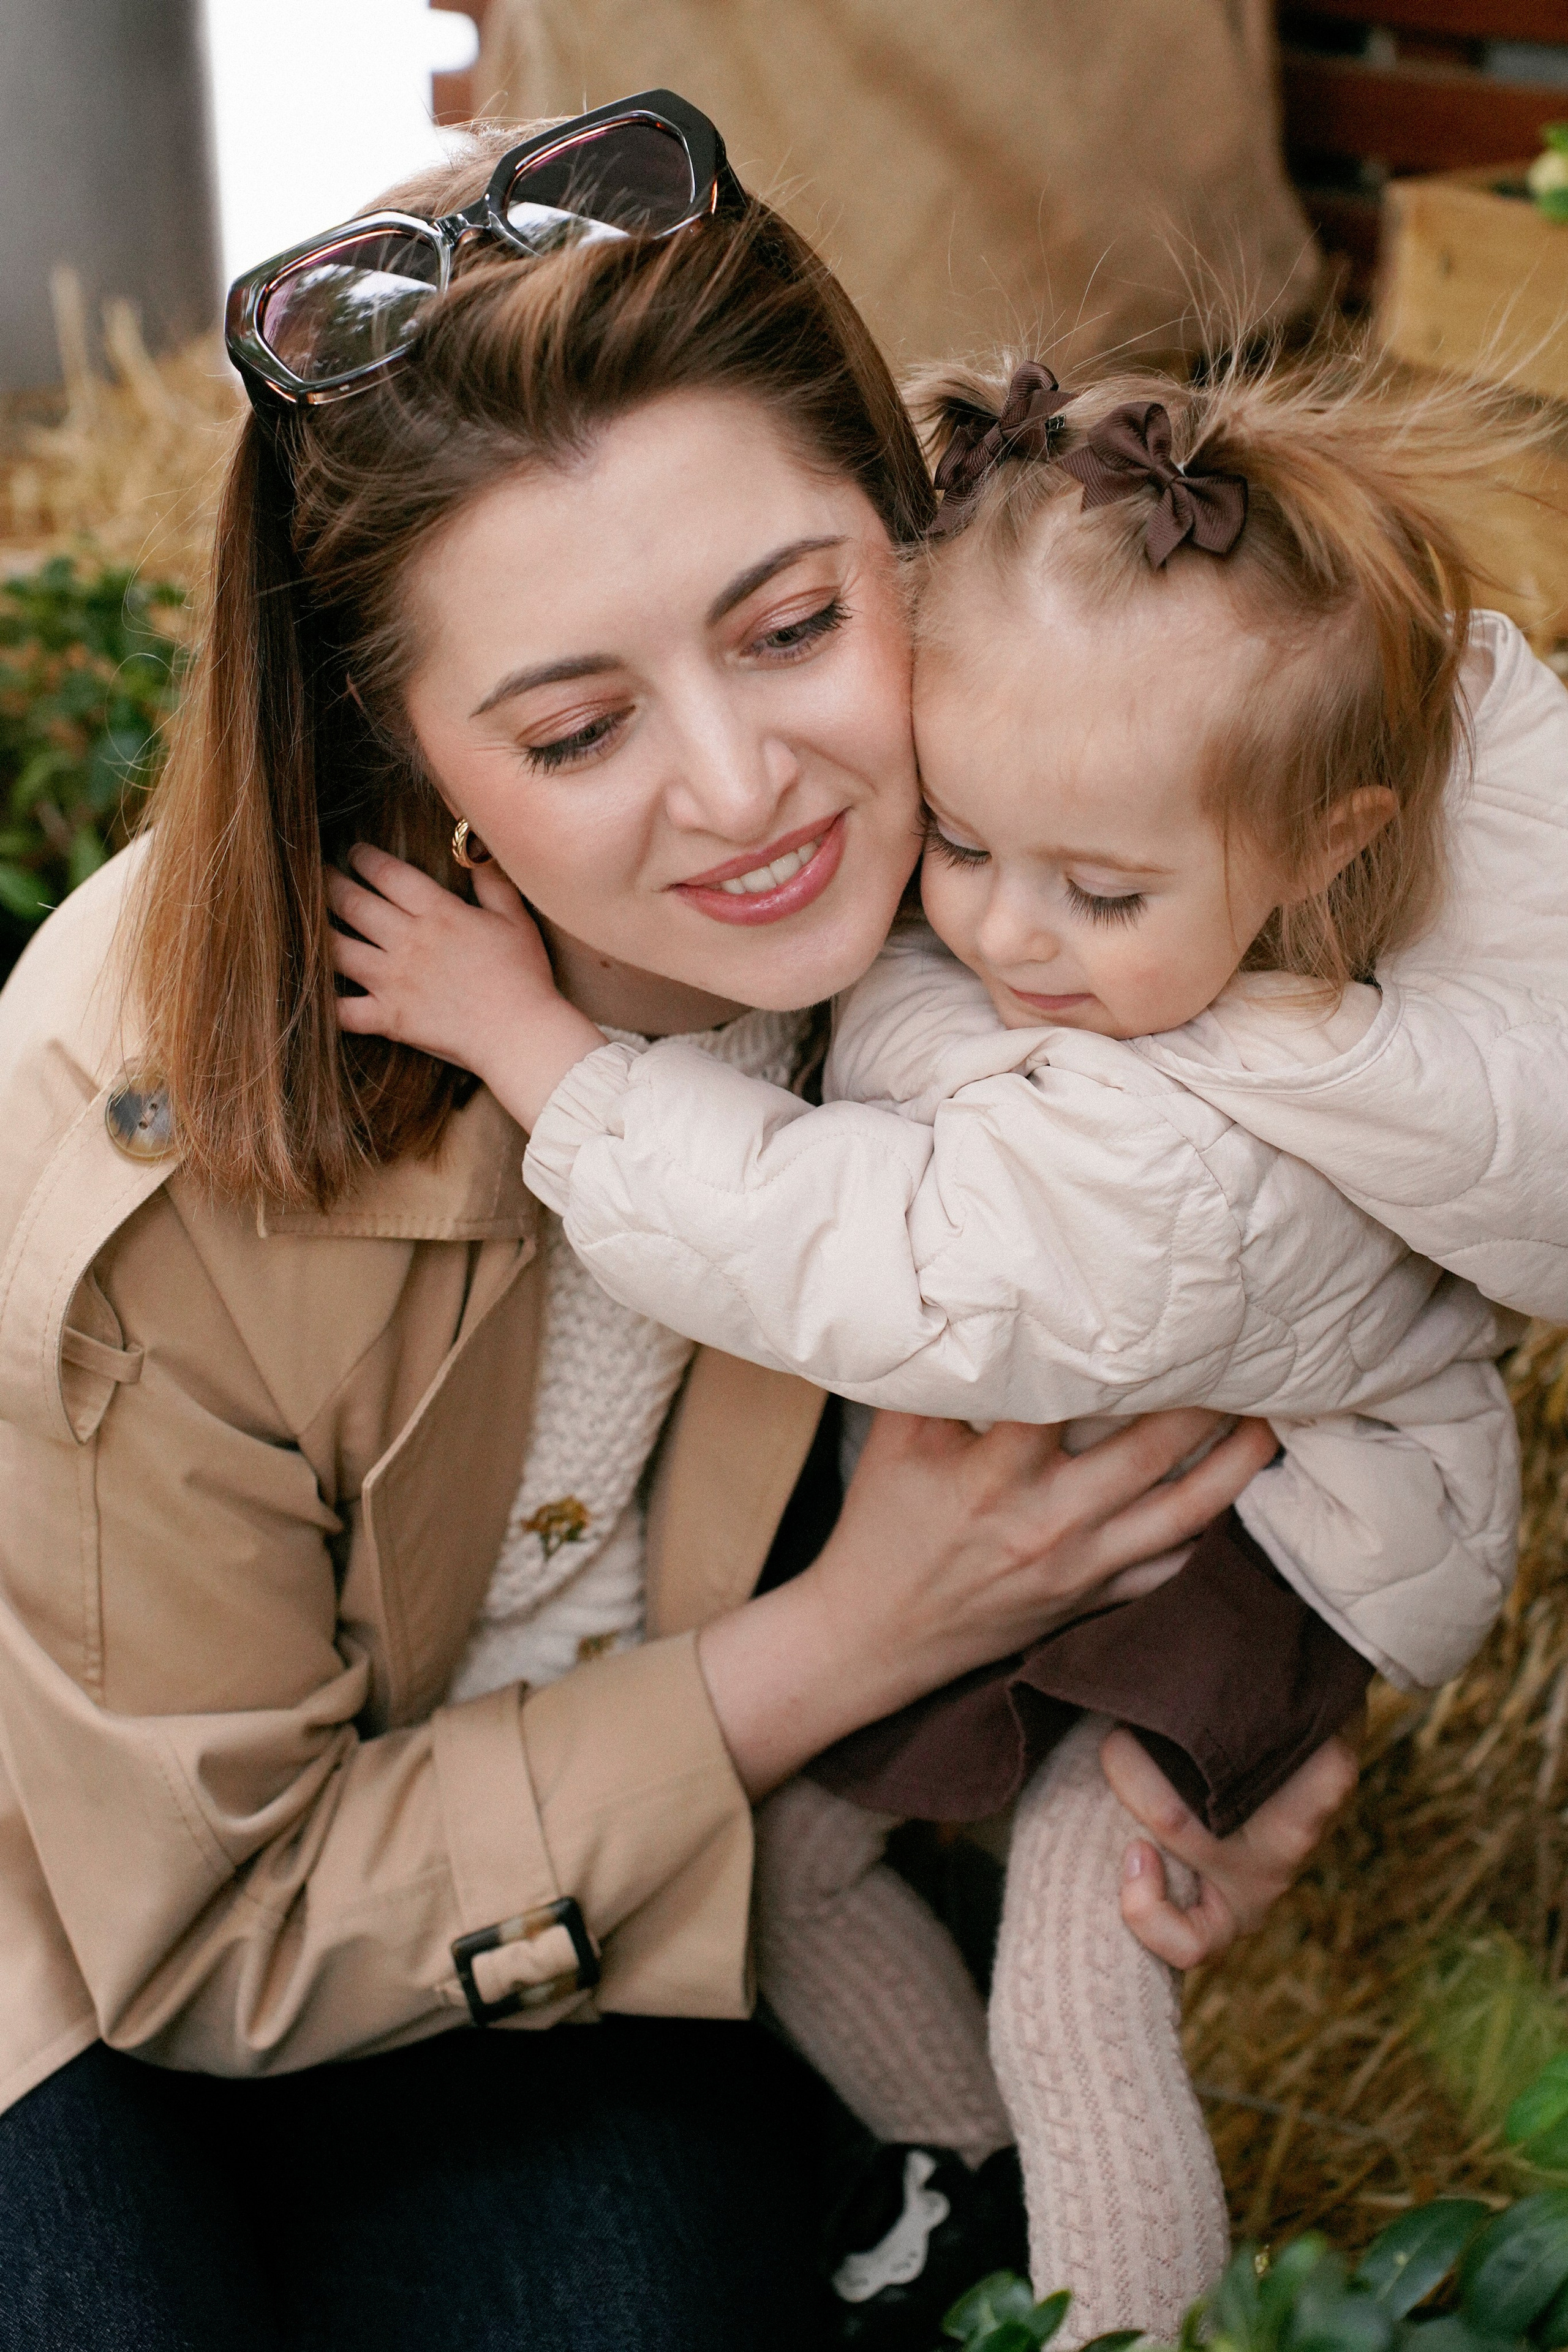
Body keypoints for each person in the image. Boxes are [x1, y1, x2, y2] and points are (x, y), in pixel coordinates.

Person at [0, 104, 1360, 2352]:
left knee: (637, 2303)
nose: (745, 795)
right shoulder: (137, 1132)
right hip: (101, 1913)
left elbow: (1329, 1324)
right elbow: (206, 1926)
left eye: (797, 625)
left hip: (594, 1902)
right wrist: (859, 1634)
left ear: (912, 544)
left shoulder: (1037, 919)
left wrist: (1228, 1756)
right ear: (409, 753)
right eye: (576, 727)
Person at [328, 331, 1560, 2336]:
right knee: (794, 1873)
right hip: (1081, 1511)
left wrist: (537, 1049)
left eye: (1096, 888)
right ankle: (959, 2202)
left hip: (1246, 1564)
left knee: (1081, 1971)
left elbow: (864, 1254)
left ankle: (1127, 2322)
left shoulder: (1176, 1155)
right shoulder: (1156, 859)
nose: (998, 934)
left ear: (1324, 851)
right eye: (964, 845)